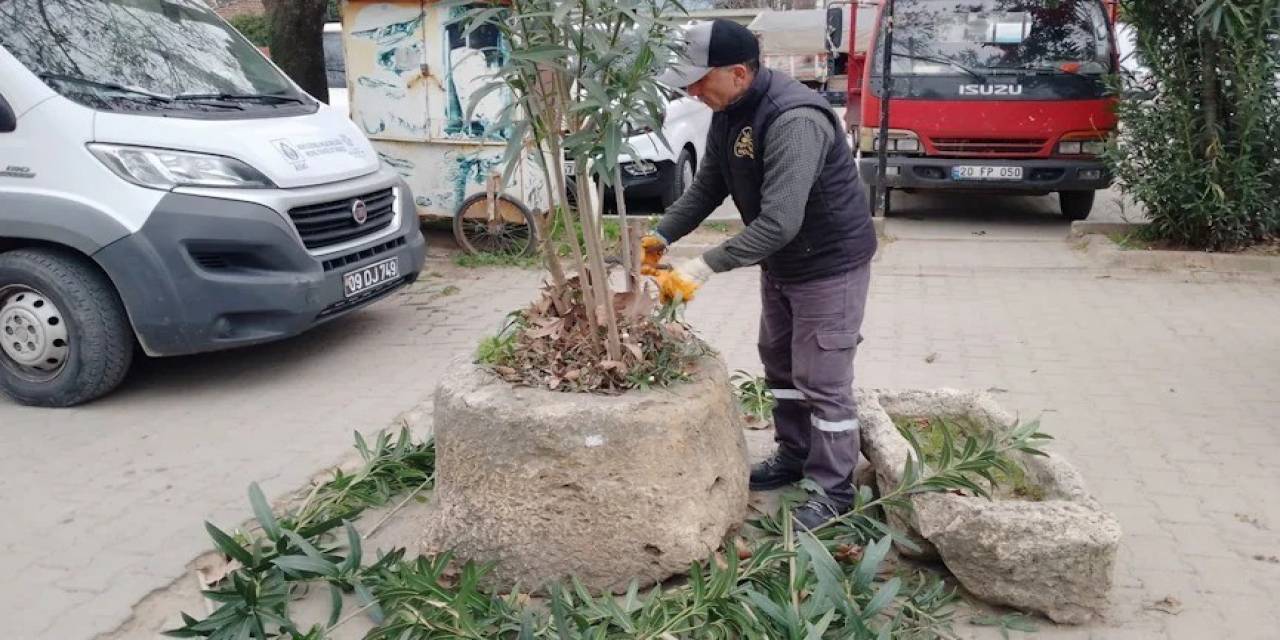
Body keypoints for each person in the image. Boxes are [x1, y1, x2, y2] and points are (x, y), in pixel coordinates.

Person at [643, 19, 878, 530]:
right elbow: (709, 186)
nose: (691, 90)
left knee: (823, 377)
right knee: (779, 362)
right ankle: (794, 455)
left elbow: (778, 221)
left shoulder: (794, 119)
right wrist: (660, 235)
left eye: (699, 80)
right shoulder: (729, 110)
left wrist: (700, 269)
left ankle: (832, 488)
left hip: (828, 263)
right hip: (783, 261)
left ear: (739, 72)